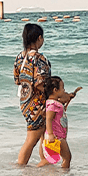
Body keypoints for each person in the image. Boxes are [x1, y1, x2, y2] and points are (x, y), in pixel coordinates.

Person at [14, 23, 51, 166]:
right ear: (39, 38)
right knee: (32, 139)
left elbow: (17, 80)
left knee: (42, 135)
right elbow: (41, 83)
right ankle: (21, 167)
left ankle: (45, 163)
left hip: (25, 101)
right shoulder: (39, 58)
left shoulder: (19, 57)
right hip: (38, 103)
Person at [35, 76, 80, 169]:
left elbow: (62, 102)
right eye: (62, 88)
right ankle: (64, 174)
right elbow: (48, 119)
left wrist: (70, 97)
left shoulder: (54, 102)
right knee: (66, 157)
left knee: (53, 158)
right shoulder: (52, 105)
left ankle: (40, 169)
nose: (64, 90)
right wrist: (50, 134)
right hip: (56, 136)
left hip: (58, 135)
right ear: (55, 90)